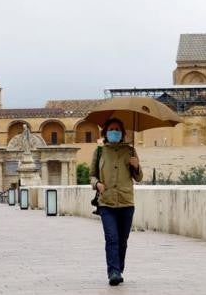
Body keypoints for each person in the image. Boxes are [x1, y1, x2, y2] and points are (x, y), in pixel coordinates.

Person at [90, 118, 143, 286]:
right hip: (106, 203)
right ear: (106, 133)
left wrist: (136, 166)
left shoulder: (130, 151)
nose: (114, 132)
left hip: (126, 202)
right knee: (111, 238)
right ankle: (113, 271)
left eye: (117, 129)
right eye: (111, 129)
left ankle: (119, 268)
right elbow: (91, 175)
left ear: (122, 133)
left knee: (122, 240)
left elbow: (139, 178)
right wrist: (96, 184)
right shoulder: (99, 152)